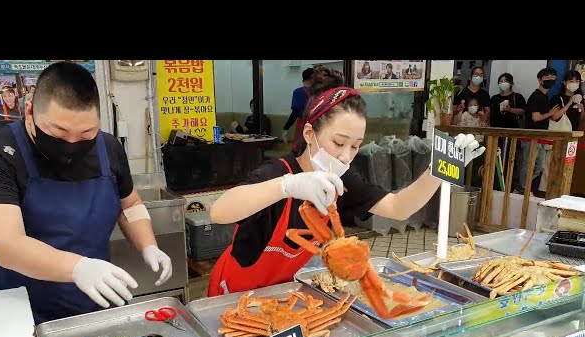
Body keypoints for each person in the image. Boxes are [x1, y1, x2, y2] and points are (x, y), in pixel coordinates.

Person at [206, 66, 484, 296]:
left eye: (355, 146)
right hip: (235, 294)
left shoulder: (342, 179)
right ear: (308, 134)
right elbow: (219, 212)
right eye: (338, 142)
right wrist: (287, 186)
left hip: (283, 293)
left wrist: (437, 171)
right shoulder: (276, 172)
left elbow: (398, 207)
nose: (344, 156)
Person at [0, 62, 173, 324]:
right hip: (20, 316)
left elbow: (130, 205)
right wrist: (78, 267)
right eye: (58, 132)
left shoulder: (108, 147)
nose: (72, 144)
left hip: (95, 303)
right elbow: (7, 246)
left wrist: (149, 245)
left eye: (86, 133)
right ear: (29, 111)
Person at [516, 67, 560, 195]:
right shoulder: (537, 96)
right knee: (528, 164)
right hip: (531, 137)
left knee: (539, 166)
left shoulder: (545, 97)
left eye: (553, 78)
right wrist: (550, 113)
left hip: (540, 137)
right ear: (540, 80)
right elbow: (536, 117)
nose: (551, 80)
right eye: (548, 78)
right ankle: (522, 188)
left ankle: (524, 187)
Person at [489, 73, 527, 190]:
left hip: (513, 134)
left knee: (512, 160)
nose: (502, 83)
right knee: (495, 159)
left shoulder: (517, 97)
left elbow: (523, 111)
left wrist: (510, 109)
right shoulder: (494, 98)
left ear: (510, 83)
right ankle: (495, 183)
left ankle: (510, 186)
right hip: (496, 134)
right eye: (500, 81)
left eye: (505, 81)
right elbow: (491, 113)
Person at [281, 67, 314, 145]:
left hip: (303, 126)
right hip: (318, 126)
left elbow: (295, 112)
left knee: (300, 151)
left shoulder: (299, 92)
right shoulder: (320, 92)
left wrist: (286, 128)